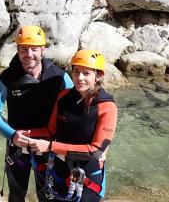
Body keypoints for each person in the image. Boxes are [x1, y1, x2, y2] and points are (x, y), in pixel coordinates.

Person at [0, 25, 73, 202]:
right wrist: (12, 135)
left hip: (48, 148)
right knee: (17, 195)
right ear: (17, 49)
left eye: (34, 49)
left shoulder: (59, 77)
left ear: (43, 49)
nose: (29, 54)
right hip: (18, 147)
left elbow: (77, 108)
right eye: (23, 49)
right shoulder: (8, 77)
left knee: (47, 196)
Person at [26, 50, 117, 202]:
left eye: (86, 73)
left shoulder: (107, 107)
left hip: (88, 176)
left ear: (98, 76)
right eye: (76, 72)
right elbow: (51, 130)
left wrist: (49, 147)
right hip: (59, 170)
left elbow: (96, 151)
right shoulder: (63, 97)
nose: (79, 78)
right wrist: (23, 133)